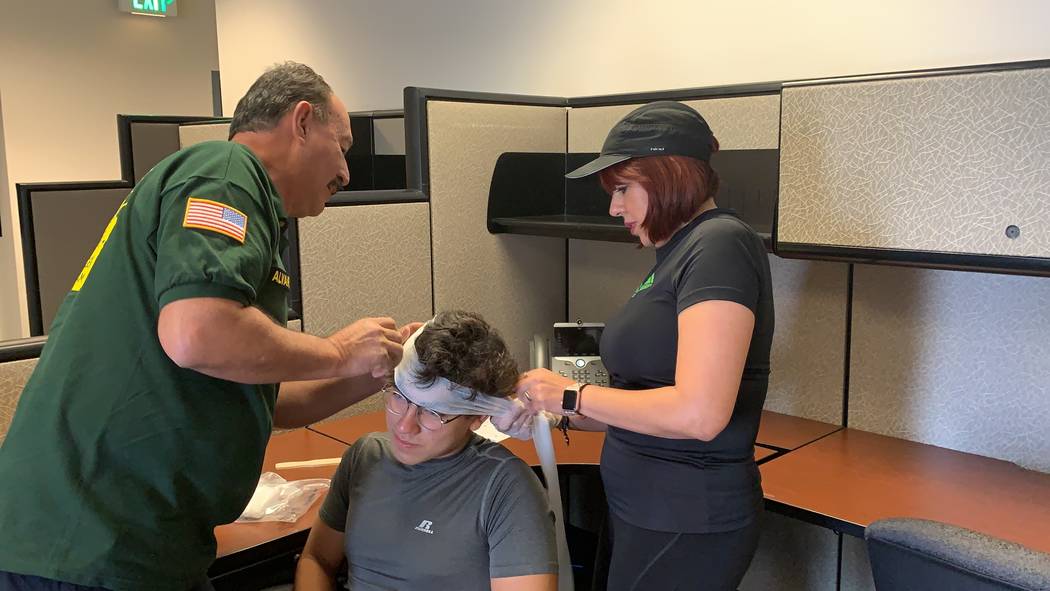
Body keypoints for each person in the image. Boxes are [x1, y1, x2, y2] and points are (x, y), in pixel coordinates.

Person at [0, 62, 414, 591]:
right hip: (91, 540)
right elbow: (196, 334)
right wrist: (337, 351)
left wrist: (375, 369)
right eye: (343, 145)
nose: (347, 172)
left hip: (143, 539)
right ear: (302, 121)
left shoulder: (246, 206)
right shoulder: (225, 170)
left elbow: (266, 396)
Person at [517, 101, 775, 591]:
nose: (614, 207)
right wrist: (548, 410)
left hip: (687, 514)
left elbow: (700, 414)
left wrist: (567, 395)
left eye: (622, 189)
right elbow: (643, 405)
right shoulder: (677, 251)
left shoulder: (720, 244)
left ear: (669, 175)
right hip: (644, 506)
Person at [294, 310, 558, 591]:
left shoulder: (506, 488)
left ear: (477, 417)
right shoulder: (365, 457)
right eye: (398, 397)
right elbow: (318, 559)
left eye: (433, 413)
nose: (405, 426)